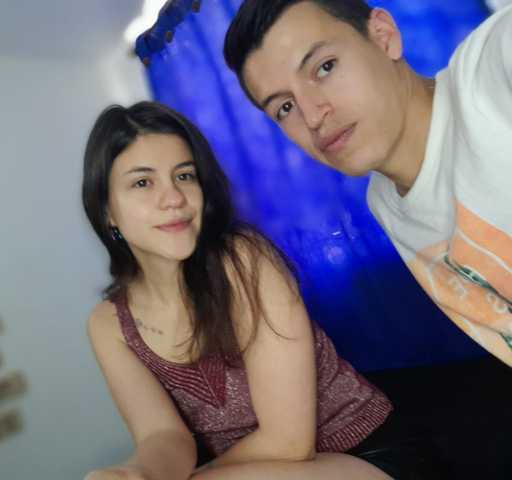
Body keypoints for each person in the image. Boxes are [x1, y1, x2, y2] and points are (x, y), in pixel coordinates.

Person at [79, 100, 450, 480]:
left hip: (367, 456)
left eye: (185, 176)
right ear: (107, 211)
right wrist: (138, 473)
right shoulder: (109, 325)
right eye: (142, 182)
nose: (174, 198)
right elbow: (163, 436)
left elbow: (289, 443)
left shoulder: (243, 260)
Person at [223, 0, 512, 366]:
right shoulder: (386, 202)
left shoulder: (492, 68)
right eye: (285, 107)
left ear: (383, 36)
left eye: (325, 67)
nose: (312, 116)